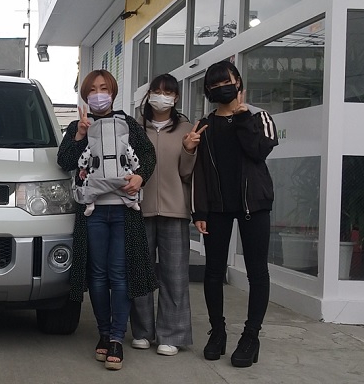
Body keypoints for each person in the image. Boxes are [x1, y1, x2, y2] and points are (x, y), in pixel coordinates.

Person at [57, 69, 156, 371]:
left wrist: (140, 177)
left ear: (112, 91)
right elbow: (64, 161)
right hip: (93, 212)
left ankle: (116, 338)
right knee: (98, 275)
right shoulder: (78, 125)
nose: (98, 94)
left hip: (124, 211)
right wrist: (79, 135)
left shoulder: (129, 124)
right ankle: (103, 334)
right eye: (92, 89)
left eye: (103, 88)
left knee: (119, 274)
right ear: (85, 95)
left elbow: (148, 156)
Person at [192, 60, 278, 368]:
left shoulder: (259, 117)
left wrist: (241, 118)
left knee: (257, 272)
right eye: (214, 85)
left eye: (226, 82)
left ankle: (251, 337)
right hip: (217, 207)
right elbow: (199, 171)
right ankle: (217, 332)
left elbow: (258, 151)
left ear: (238, 82)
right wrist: (199, 211)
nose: (222, 88)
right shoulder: (205, 124)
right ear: (208, 90)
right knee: (213, 271)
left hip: (254, 204)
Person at [129, 74, 200, 356]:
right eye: (157, 91)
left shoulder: (187, 129)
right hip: (139, 209)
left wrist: (189, 150)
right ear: (149, 95)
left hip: (175, 210)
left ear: (176, 97)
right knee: (140, 273)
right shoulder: (134, 128)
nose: (162, 96)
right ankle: (142, 331)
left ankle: (172, 334)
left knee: (175, 275)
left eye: (168, 92)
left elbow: (187, 173)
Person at [73, 115, 143, 215]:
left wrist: (82, 168)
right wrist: (136, 168)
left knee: (89, 187)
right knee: (128, 186)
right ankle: (132, 201)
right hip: (121, 176)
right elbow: (132, 156)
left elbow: (84, 157)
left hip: (97, 178)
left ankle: (89, 204)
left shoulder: (93, 143)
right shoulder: (124, 142)